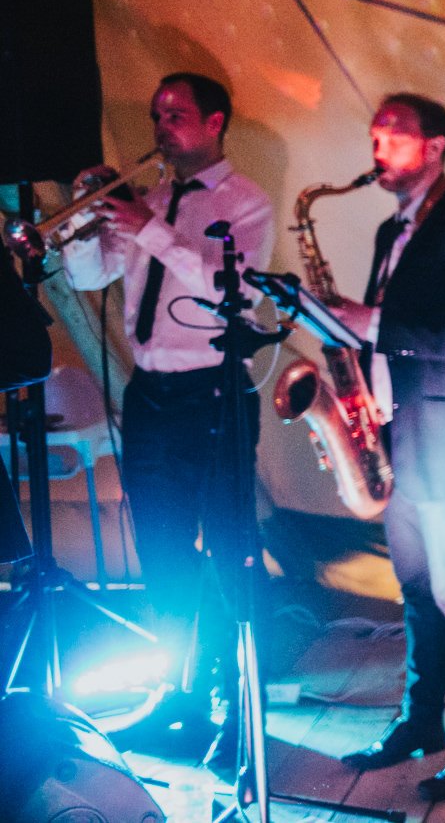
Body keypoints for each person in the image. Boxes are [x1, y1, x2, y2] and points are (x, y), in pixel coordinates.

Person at [62, 73, 273, 748]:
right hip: (150, 396)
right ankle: (179, 690)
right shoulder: (150, 199)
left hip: (212, 394)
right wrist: (80, 219)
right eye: (157, 114)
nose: (161, 125)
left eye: (176, 114)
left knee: (231, 546)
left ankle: (241, 703)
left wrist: (151, 229)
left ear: (215, 123)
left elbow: (229, 288)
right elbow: (88, 278)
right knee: (161, 548)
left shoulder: (248, 203)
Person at [331, 94, 445, 800]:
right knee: (418, 593)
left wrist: (372, 320)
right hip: (396, 435)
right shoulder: (392, 230)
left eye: (393, 136)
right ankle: (422, 721)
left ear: (435, 145)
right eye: (373, 133)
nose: (377, 147)